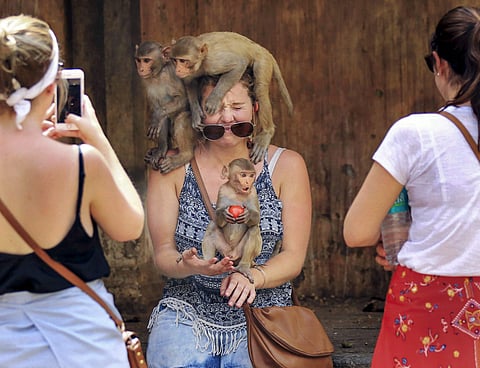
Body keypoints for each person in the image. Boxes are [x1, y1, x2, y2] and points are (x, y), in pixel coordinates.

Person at [0, 15, 144, 367]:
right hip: (85, 343)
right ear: (53, 87)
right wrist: (96, 138)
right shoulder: (82, 164)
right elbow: (130, 226)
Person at [343, 6, 480, 367]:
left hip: (429, 306)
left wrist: (405, 239)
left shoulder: (416, 134)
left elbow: (357, 231)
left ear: (439, 63)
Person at [146, 70, 311, 367]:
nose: (226, 118)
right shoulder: (170, 167)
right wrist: (189, 264)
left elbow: (294, 256)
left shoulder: (286, 166)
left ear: (255, 109)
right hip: (187, 312)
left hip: (264, 314)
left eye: (237, 108)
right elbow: (163, 253)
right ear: (197, 114)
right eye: (214, 108)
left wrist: (253, 276)